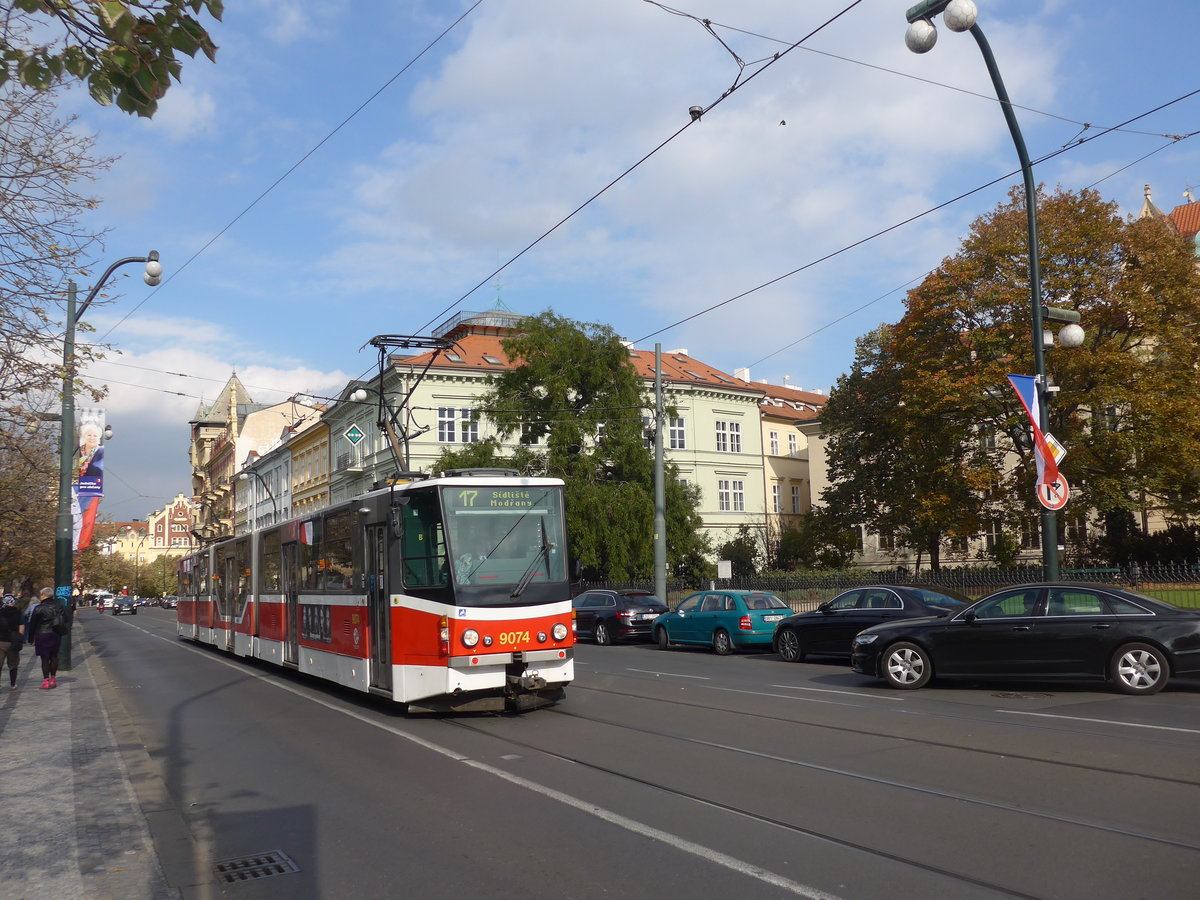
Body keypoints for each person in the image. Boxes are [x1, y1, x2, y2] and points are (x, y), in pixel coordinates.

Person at [26, 587, 66, 690]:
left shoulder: (38, 608)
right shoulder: (59, 606)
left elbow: (32, 625)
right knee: (54, 656)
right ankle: (53, 679)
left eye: (41, 595)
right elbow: (65, 619)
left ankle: (45, 681)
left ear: (44, 595)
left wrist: (31, 638)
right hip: (55, 634)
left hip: (42, 634)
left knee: (44, 658)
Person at [1, 591, 23, 691]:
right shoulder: (18, 613)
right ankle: (13, 684)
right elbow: (21, 629)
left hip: (1, 641)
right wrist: (19, 638)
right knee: (13, 664)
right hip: (13, 641)